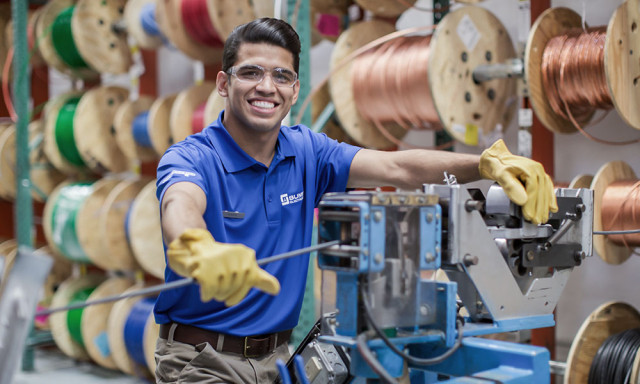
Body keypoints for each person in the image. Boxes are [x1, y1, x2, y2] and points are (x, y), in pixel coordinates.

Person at [153, 17, 557, 384]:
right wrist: (198, 246)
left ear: (294, 90)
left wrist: (485, 164)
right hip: (202, 360)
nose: (266, 86)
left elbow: (399, 169)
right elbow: (180, 205)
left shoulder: (307, 151)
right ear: (224, 83)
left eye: (281, 75)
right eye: (251, 73)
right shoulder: (193, 157)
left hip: (278, 359)